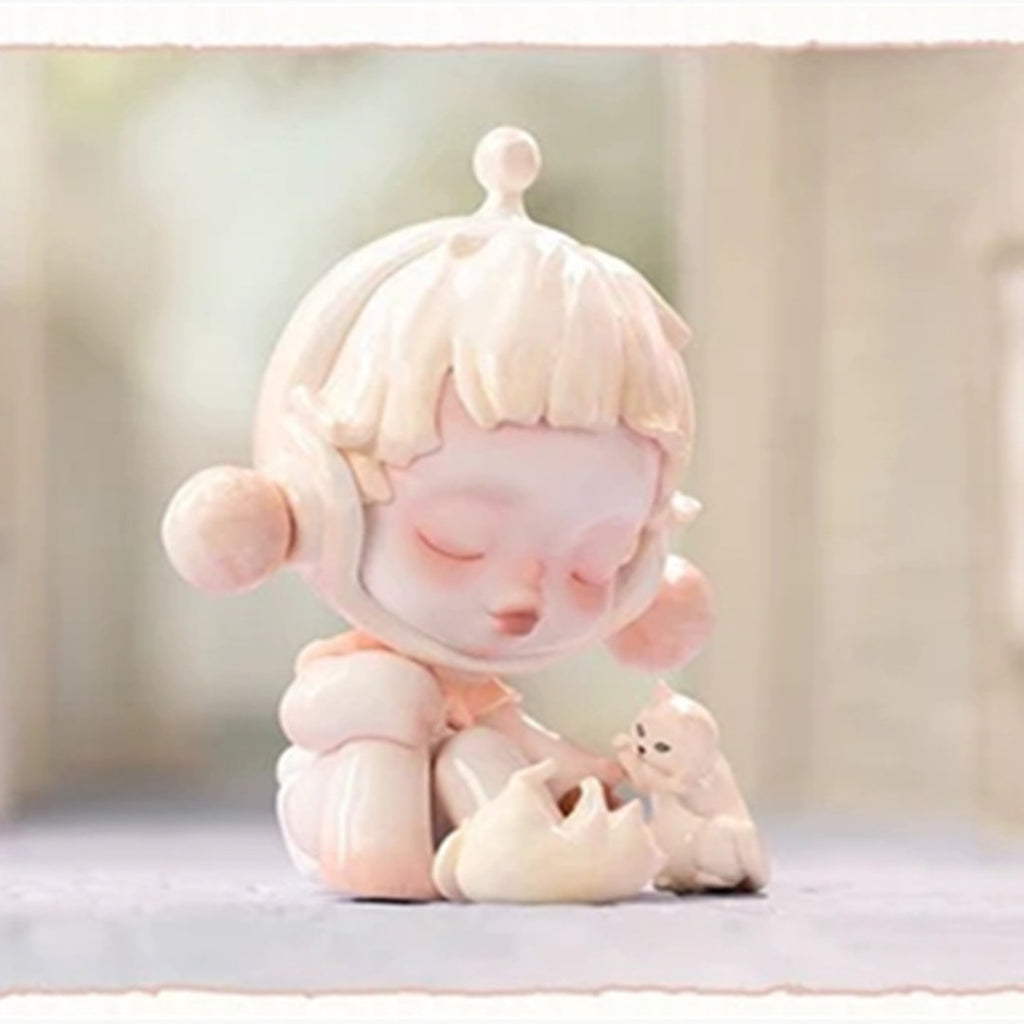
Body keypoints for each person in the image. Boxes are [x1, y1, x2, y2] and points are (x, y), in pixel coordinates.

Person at [161, 126, 714, 901]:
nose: (523, 598)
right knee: (392, 702)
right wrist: (397, 707)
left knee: (478, 755)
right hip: (345, 787)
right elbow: (319, 712)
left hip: (467, 805)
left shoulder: (480, 702)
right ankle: (382, 857)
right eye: (457, 541)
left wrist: (591, 774)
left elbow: (517, 737)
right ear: (315, 499)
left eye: (596, 562)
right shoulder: (351, 673)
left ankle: (521, 849)